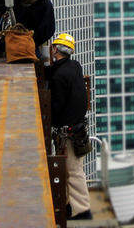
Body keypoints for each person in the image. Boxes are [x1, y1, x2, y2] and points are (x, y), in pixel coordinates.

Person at [46, 33, 92, 220]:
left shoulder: (59, 76)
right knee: (70, 170)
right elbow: (56, 71)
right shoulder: (75, 66)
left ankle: (82, 210)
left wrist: (50, 121)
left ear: (55, 49)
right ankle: (71, 206)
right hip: (77, 129)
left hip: (69, 131)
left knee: (72, 171)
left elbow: (57, 105)